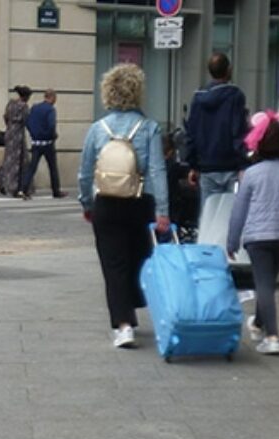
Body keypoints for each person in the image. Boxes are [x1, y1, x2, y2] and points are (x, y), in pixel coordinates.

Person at [77, 63, 170, 349]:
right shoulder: (149, 128)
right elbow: (156, 171)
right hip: (139, 203)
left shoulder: (97, 129)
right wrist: (162, 211)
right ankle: (134, 309)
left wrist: (87, 202)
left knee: (113, 264)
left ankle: (123, 325)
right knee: (137, 260)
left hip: (106, 203)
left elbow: (84, 172)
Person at [226, 112, 279, 356]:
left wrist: (231, 241)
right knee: (267, 282)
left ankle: (272, 336)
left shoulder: (251, 174)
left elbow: (239, 211)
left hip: (257, 238)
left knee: (263, 284)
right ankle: (258, 323)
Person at [183, 53, 248, 202]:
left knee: (208, 214)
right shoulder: (235, 96)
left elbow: (191, 132)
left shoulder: (198, 98)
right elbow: (238, 131)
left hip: (206, 166)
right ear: (228, 70)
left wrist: (192, 164)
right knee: (231, 215)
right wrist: (243, 164)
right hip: (230, 164)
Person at [21, 88, 66, 199]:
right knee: (52, 167)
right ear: (52, 98)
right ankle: (56, 191)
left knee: (32, 167)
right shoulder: (50, 110)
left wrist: (33, 133)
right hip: (48, 143)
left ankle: (23, 189)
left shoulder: (35, 108)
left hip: (36, 142)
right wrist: (53, 135)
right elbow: (51, 125)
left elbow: (28, 122)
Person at [0, 85, 31, 197]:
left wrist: (9, 125)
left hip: (9, 132)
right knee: (18, 162)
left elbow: (5, 116)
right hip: (18, 134)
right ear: (26, 96)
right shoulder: (24, 106)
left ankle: (0, 181)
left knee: (8, 159)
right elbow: (27, 120)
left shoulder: (11, 104)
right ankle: (12, 186)